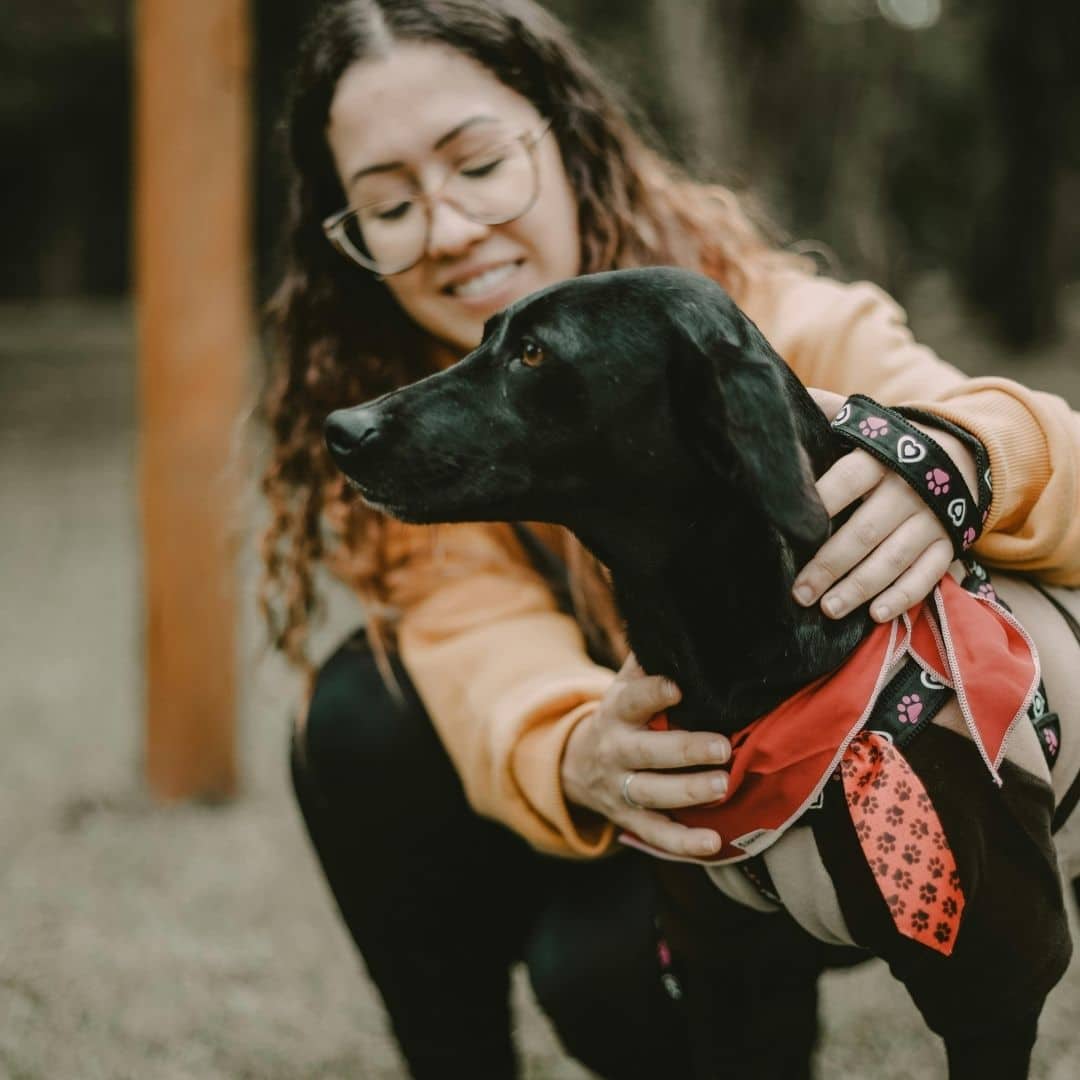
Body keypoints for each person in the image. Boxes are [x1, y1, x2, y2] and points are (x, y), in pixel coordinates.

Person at [260, 1, 1080, 1076]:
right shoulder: (407, 424)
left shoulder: (760, 323)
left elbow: (1040, 450)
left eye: (476, 163)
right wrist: (575, 748)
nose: (450, 228)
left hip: (866, 770)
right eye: (390, 205)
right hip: (670, 792)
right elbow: (475, 646)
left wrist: (971, 456)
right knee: (363, 719)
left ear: (567, 138)